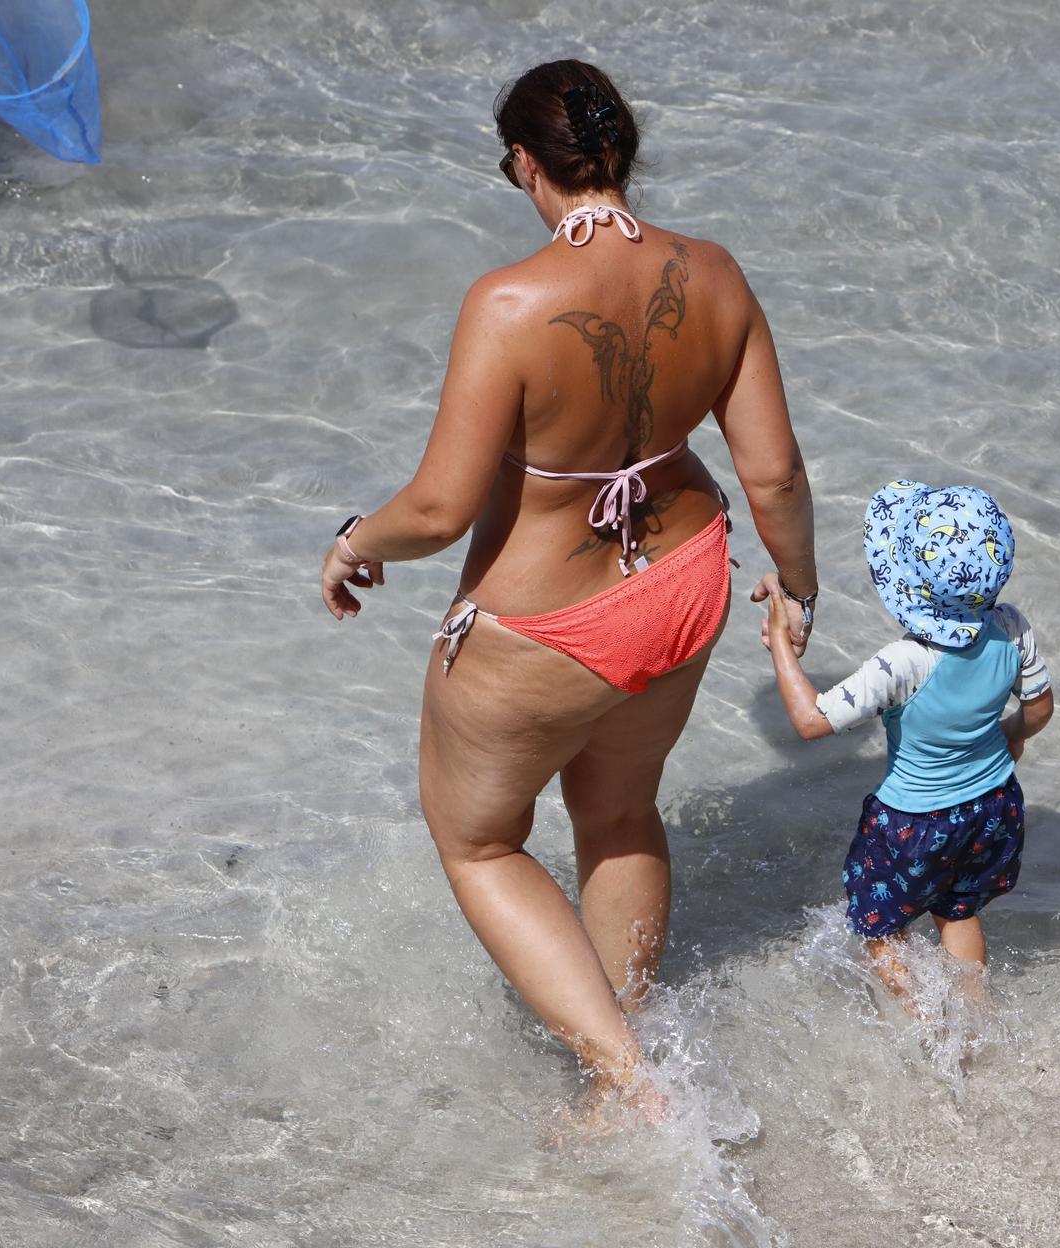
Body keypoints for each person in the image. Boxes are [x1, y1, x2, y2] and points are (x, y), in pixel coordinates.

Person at [319, 59, 819, 1116]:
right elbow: (771, 472)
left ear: (521, 163)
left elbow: (441, 509)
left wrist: (353, 539)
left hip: (541, 631)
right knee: (622, 807)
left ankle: (628, 1079)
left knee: (479, 840)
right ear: (623, 151)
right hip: (683, 585)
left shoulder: (508, 303)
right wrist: (800, 587)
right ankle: (625, 1047)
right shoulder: (716, 274)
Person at [760, 481, 1053, 1011]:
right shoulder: (1011, 627)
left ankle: (928, 1022)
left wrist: (781, 641)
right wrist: (1010, 740)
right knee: (957, 911)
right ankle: (977, 1018)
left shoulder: (904, 663)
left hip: (914, 822)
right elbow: (1040, 710)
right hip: (993, 806)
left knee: (880, 927)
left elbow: (810, 721)